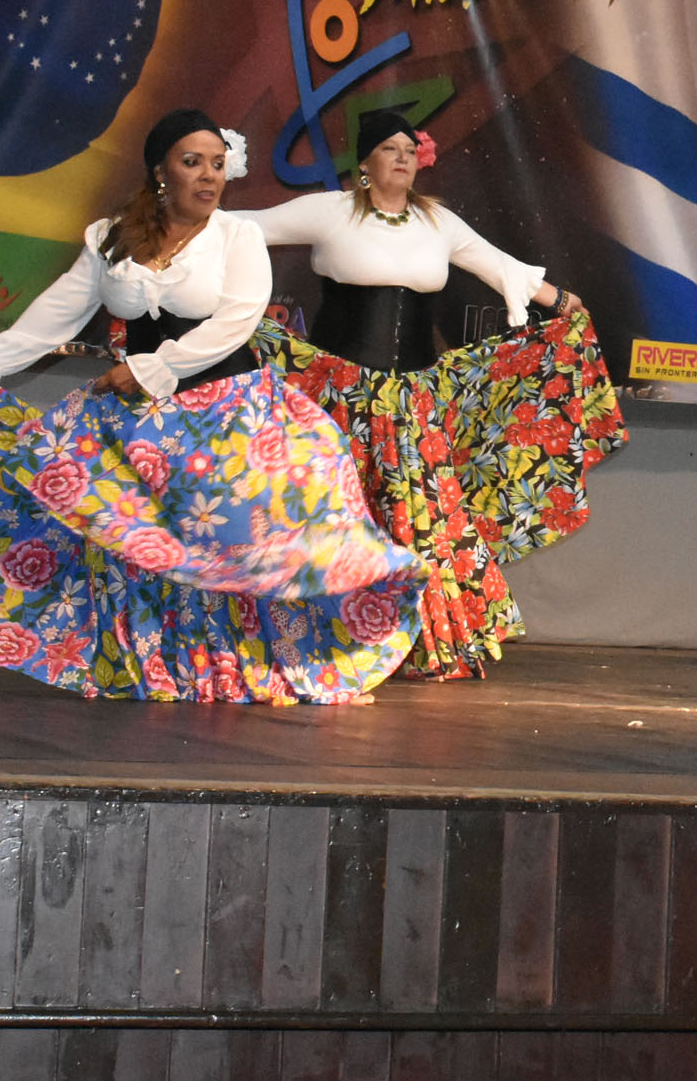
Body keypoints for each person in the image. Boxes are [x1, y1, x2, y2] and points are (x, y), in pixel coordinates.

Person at [0, 109, 426, 702]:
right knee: (123, 530)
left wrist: (151, 368)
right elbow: (57, 313)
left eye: (217, 164)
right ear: (160, 171)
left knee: (238, 541)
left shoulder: (236, 236)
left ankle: (262, 655)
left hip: (227, 411)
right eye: (192, 162)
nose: (209, 176)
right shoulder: (111, 237)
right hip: (140, 420)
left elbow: (237, 320)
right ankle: (164, 657)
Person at [239, 109, 626, 679]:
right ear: (364, 161)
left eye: (408, 149)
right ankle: (322, 641)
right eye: (388, 149)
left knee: (423, 519)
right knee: (333, 516)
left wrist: (563, 302)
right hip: (341, 398)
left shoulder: (438, 221)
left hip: (412, 404)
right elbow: (243, 228)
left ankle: (418, 643)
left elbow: (499, 266)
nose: (402, 158)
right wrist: (171, 230)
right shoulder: (331, 212)